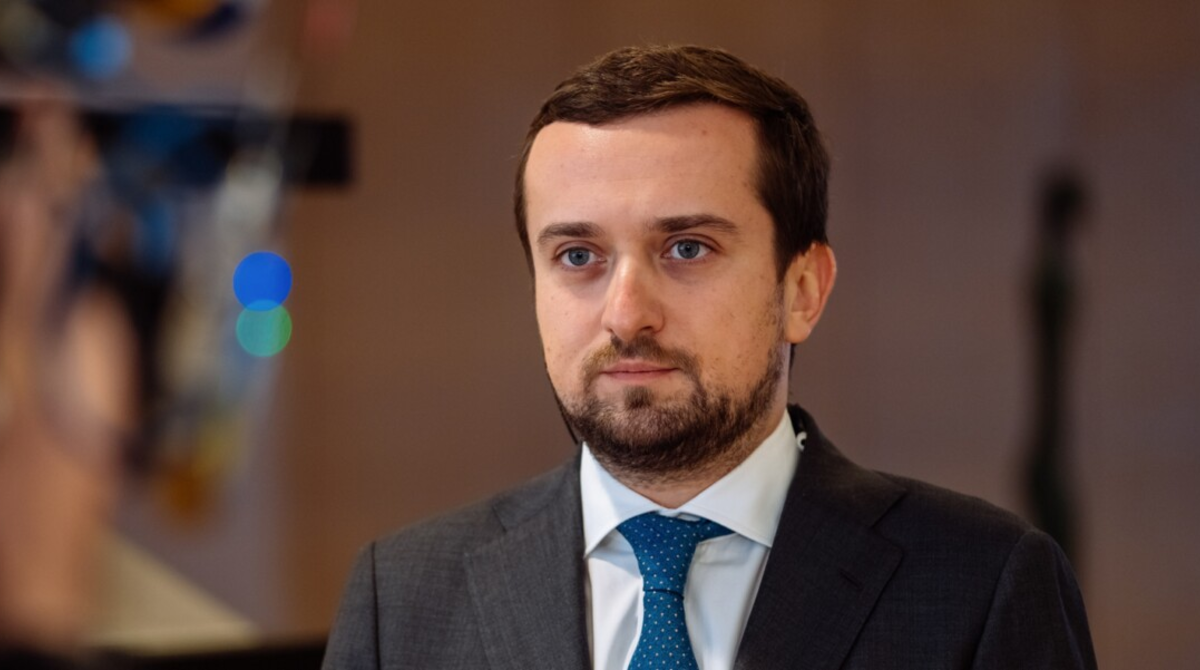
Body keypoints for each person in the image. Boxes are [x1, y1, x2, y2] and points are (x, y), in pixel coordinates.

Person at [322, 45, 1097, 670]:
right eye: (578, 256)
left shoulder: (981, 586)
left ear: (802, 290)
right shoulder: (404, 601)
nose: (626, 313)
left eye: (687, 248)